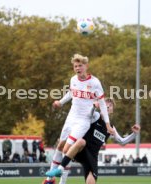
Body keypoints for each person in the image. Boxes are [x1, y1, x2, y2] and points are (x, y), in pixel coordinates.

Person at [45, 54, 114, 184]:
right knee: (60, 144)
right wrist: (60, 102)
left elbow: (103, 104)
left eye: (80, 66)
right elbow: (71, 93)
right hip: (71, 116)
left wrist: (108, 124)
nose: (77, 68)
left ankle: (61, 179)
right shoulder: (73, 80)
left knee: (66, 149)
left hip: (83, 120)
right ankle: (49, 180)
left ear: (86, 66)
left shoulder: (94, 82)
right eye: (75, 66)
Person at [45, 98, 140, 184]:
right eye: (106, 103)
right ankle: (60, 170)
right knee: (80, 141)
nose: (108, 106)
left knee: (91, 181)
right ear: (101, 106)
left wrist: (134, 134)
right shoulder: (96, 116)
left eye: (110, 106)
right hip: (81, 150)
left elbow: (122, 142)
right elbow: (90, 113)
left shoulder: (111, 128)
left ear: (112, 111)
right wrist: (94, 106)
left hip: (92, 156)